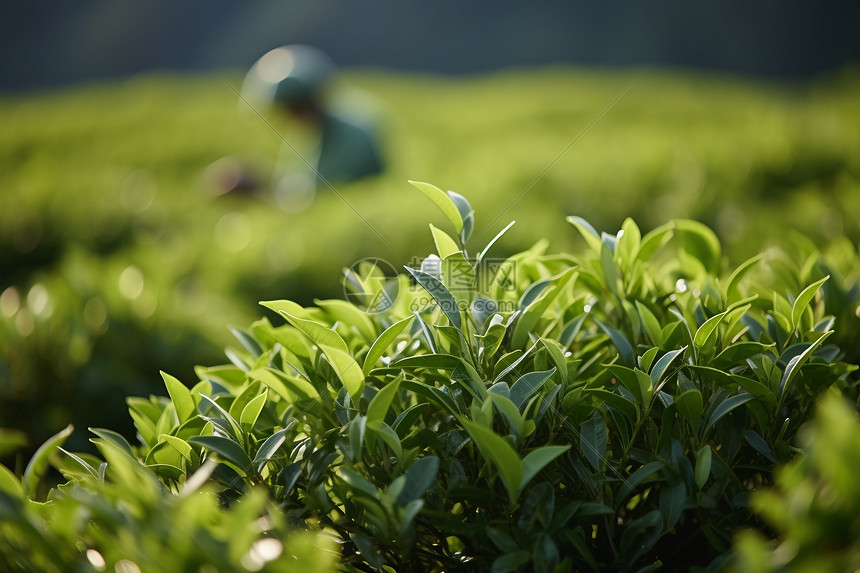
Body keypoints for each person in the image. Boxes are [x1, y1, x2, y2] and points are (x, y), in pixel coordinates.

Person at [239, 45, 384, 210]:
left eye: (293, 109)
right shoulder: (310, 135)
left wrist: (260, 190)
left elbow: (317, 197)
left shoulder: (353, 134)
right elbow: (297, 182)